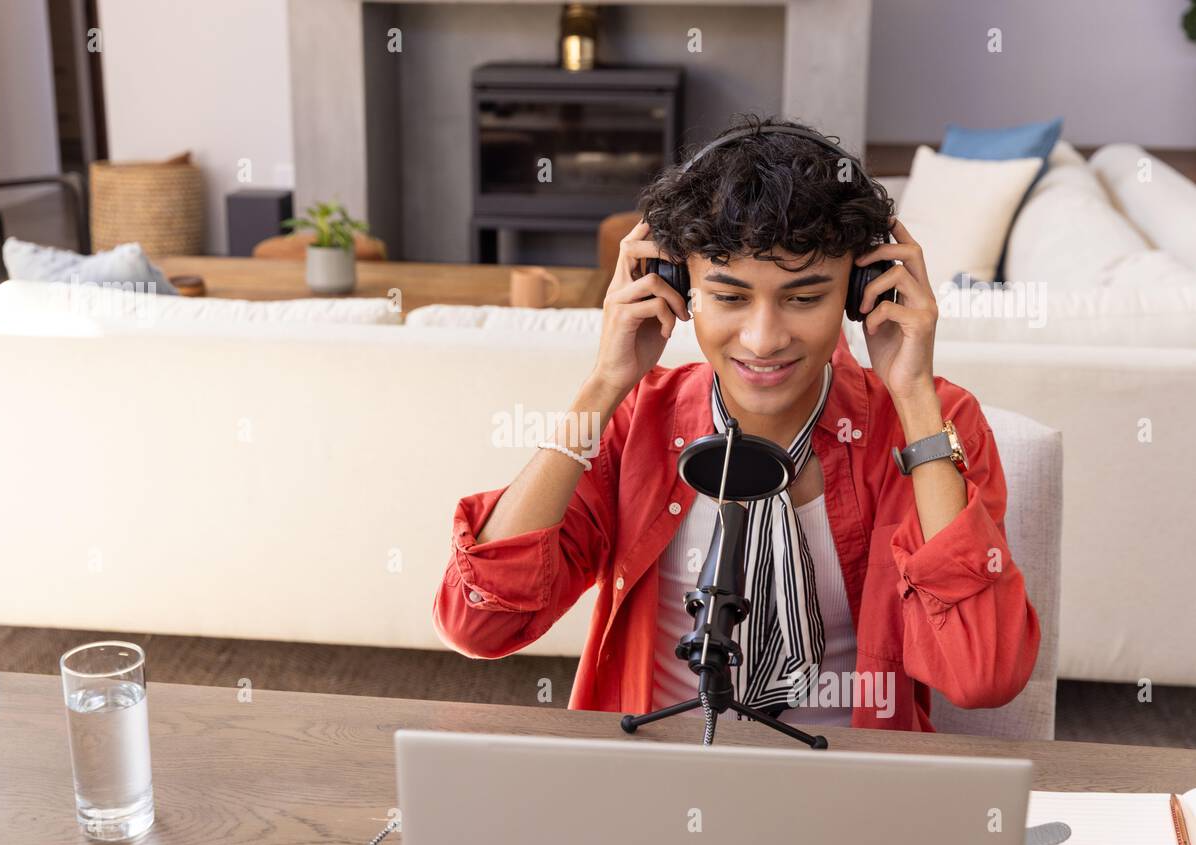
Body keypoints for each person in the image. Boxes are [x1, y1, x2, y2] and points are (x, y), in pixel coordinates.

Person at [432, 114, 1040, 731]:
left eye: (804, 298)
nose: (764, 338)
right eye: (728, 297)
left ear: (862, 291)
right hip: (657, 778)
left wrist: (912, 398)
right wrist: (603, 385)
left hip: (847, 794)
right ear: (676, 284)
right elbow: (479, 623)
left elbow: (981, 673)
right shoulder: (638, 416)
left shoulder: (930, 422)